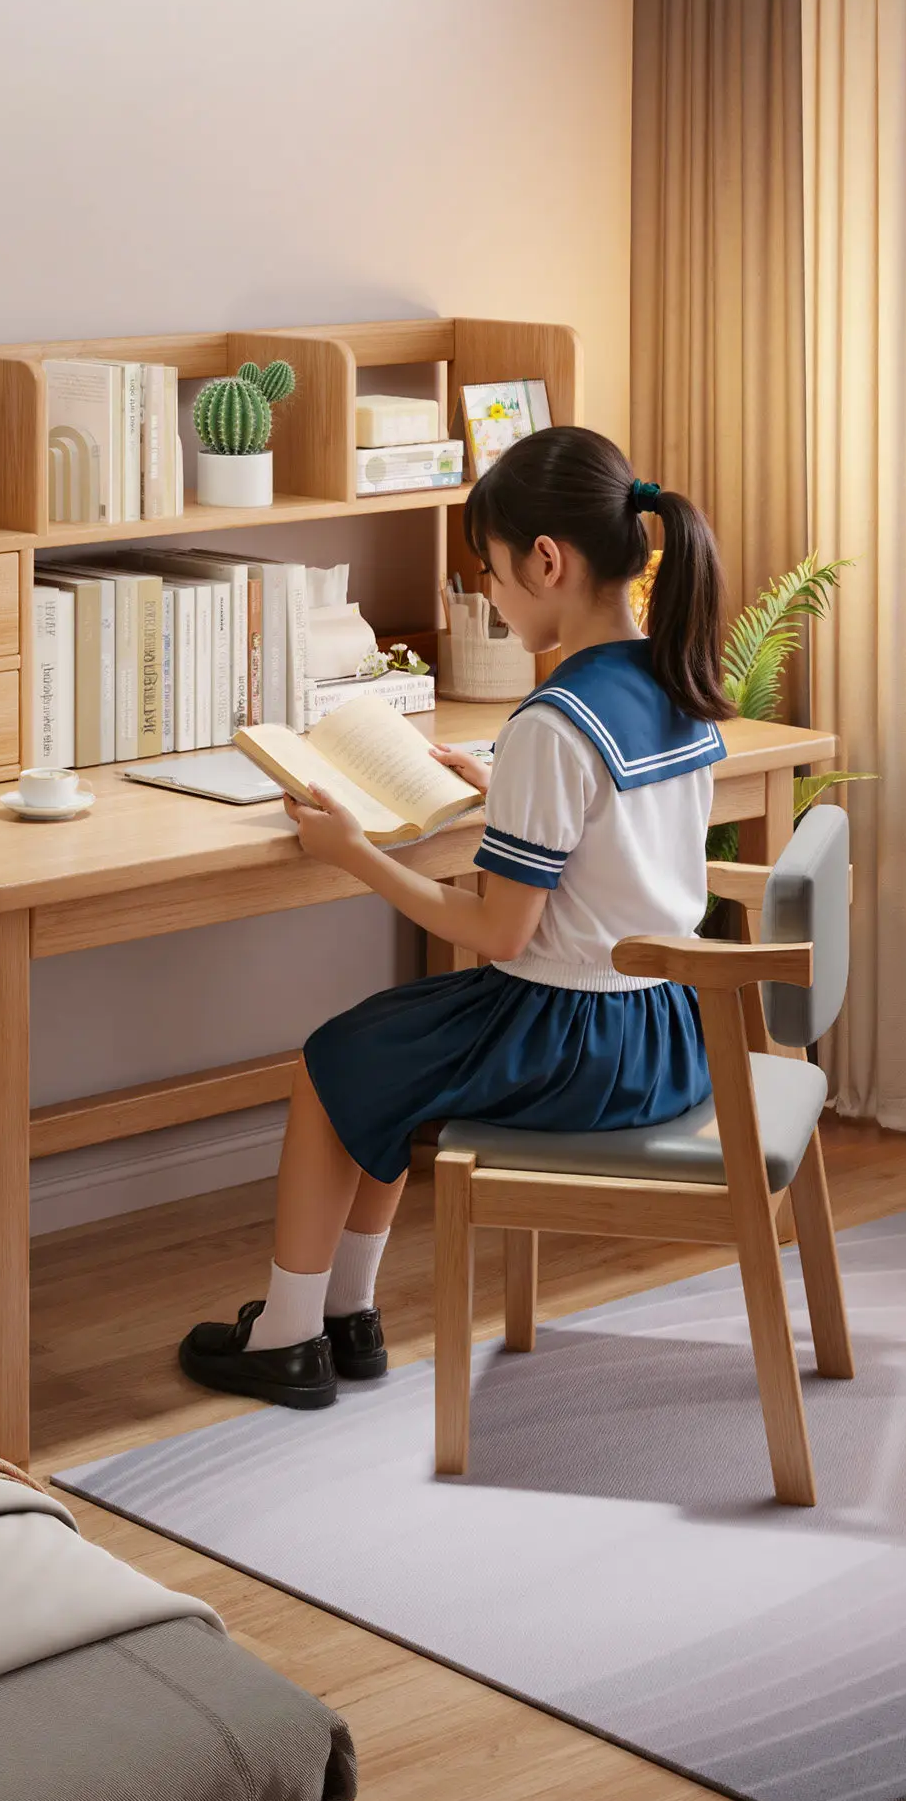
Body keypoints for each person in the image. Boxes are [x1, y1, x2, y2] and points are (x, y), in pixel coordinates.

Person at [178, 426, 734, 1410]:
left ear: (547, 561)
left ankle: (288, 1336)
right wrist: (496, 787)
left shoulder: (553, 720)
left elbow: (498, 934)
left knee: (333, 1062)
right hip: (664, 1029)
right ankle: (347, 1317)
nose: (490, 596)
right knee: (388, 1055)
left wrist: (356, 851)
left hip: (571, 1038)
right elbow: (616, 840)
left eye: (492, 572)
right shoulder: (671, 678)